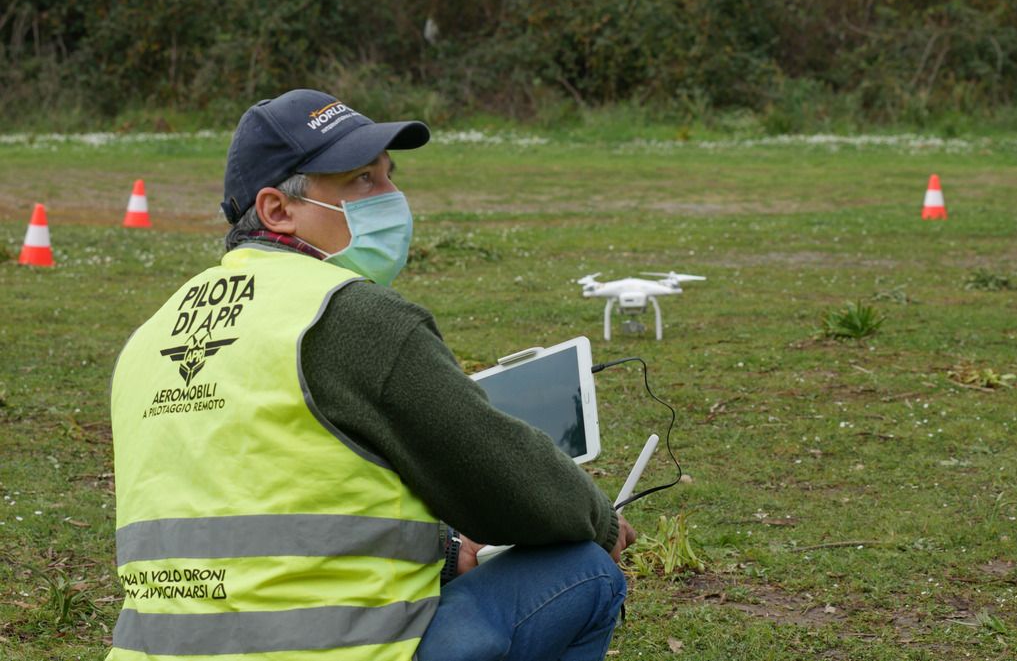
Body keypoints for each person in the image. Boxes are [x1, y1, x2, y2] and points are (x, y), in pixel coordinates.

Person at [107, 88, 636, 661]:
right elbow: (506, 479)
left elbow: (256, 499)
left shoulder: (149, 337)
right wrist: (602, 523)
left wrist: (441, 548)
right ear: (277, 210)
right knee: (586, 571)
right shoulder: (349, 314)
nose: (392, 197)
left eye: (389, 175)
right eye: (361, 180)